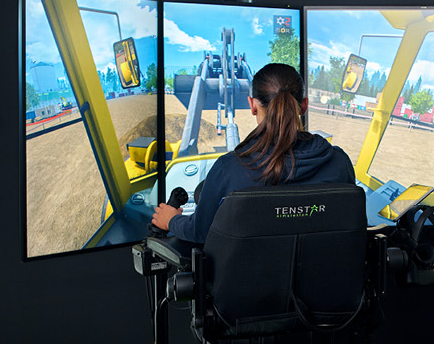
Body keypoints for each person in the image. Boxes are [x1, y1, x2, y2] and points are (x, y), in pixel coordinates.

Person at [152, 63, 355, 242]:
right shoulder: (339, 163)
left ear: (253, 105)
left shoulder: (229, 169)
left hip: (247, 285)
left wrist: (171, 220)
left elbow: (199, 232)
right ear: (304, 106)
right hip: (326, 284)